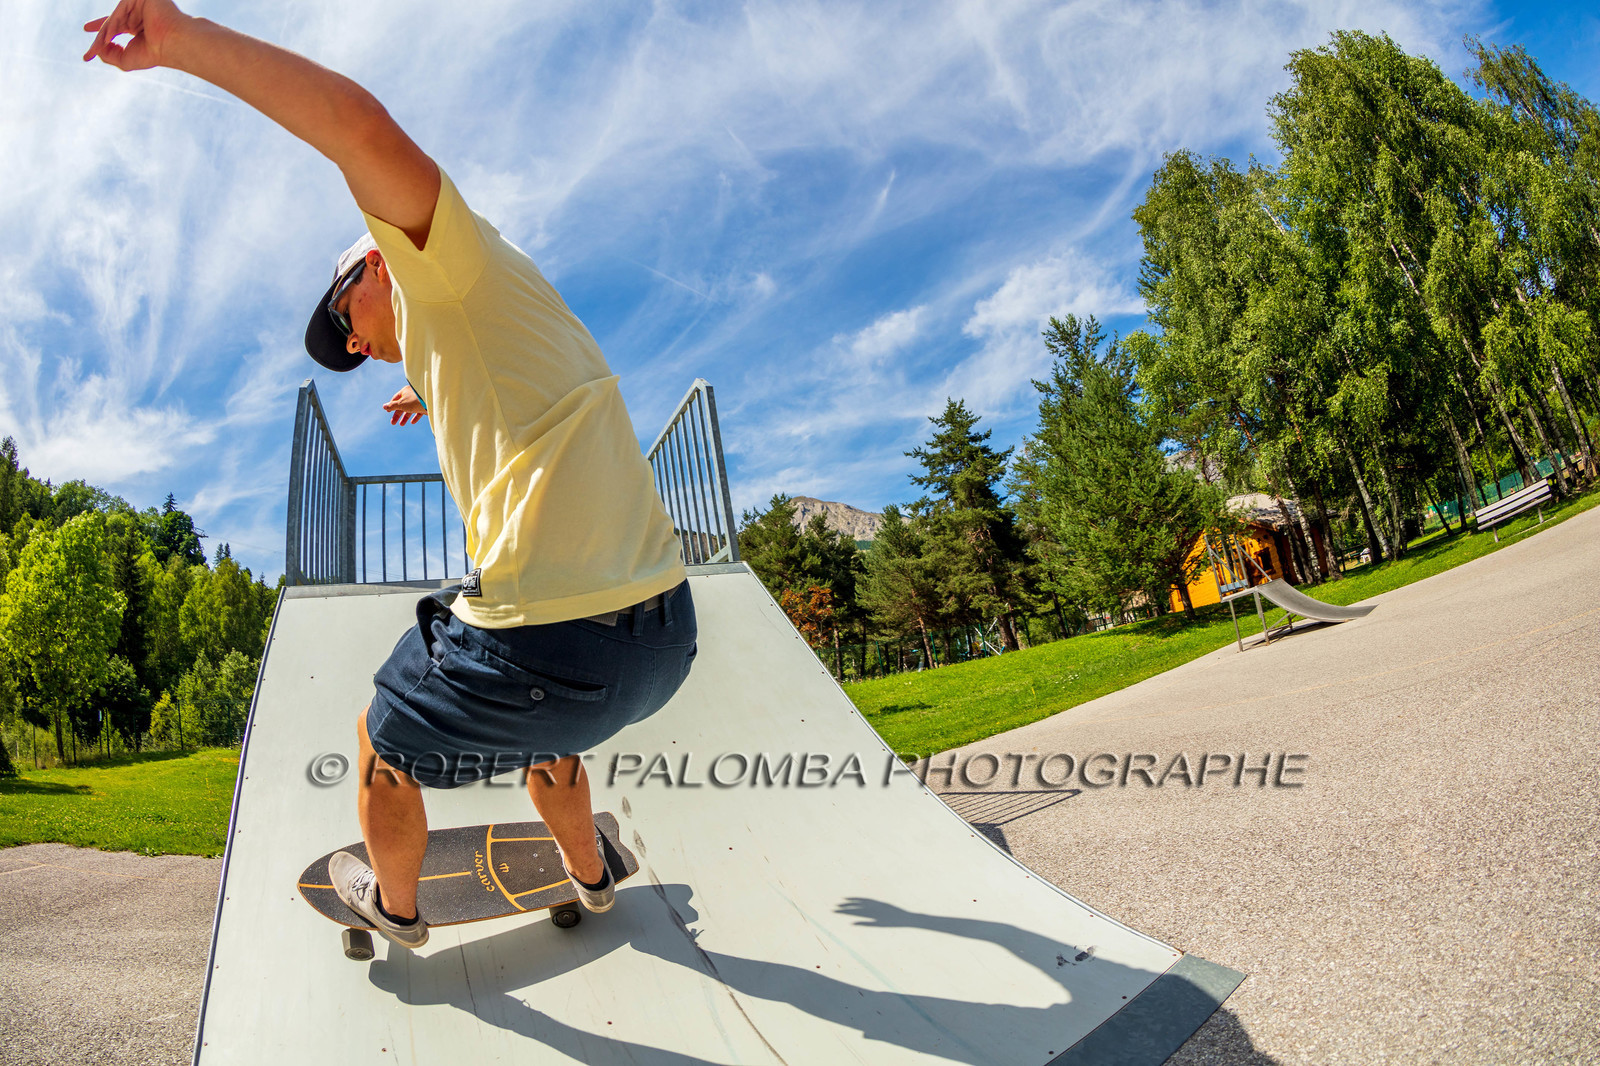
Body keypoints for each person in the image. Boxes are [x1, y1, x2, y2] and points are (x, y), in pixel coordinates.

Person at [84, 0, 696, 950]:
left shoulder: (431, 259)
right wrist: (422, 384)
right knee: (550, 735)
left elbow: (355, 126)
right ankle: (591, 872)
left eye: (347, 321)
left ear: (376, 263)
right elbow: (483, 367)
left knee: (380, 733)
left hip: (551, 638)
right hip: (660, 638)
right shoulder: (489, 311)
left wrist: (182, 41)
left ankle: (396, 907)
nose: (356, 345)